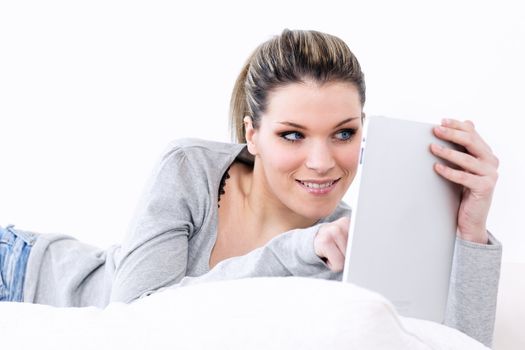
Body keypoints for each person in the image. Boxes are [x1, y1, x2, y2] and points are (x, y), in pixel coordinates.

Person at [0, 29, 501, 346]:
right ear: (251, 134)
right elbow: (137, 316)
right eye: (292, 135)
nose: (323, 162)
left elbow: (444, 343)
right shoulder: (192, 168)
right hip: (23, 270)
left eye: (344, 133)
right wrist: (297, 249)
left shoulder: (347, 248)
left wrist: (471, 227)